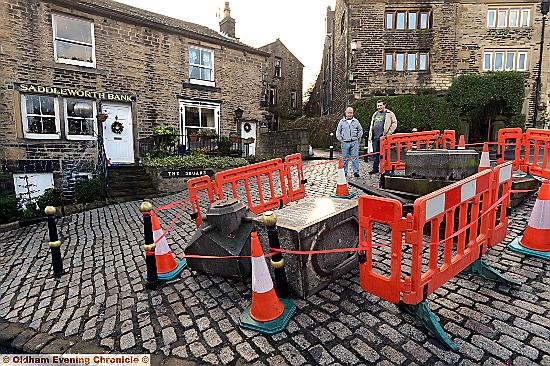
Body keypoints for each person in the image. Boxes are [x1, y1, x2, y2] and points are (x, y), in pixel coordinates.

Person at [368, 100, 398, 174]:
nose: (379, 107)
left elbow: (394, 123)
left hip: (384, 138)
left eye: (380, 105)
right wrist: (370, 135)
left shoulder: (389, 114)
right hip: (375, 137)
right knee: (375, 154)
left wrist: (388, 133)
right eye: (378, 106)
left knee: (385, 154)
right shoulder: (375, 114)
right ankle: (375, 168)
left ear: (384, 105)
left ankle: (387, 170)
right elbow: (372, 125)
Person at [336, 107, 363, 177]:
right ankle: (344, 171)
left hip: (354, 142)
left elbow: (360, 130)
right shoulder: (341, 122)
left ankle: (356, 171)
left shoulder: (356, 121)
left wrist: (357, 137)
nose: (350, 114)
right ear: (346, 113)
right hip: (345, 142)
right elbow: (338, 132)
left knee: (355, 158)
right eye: (348, 113)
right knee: (345, 158)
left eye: (351, 113)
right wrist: (341, 140)